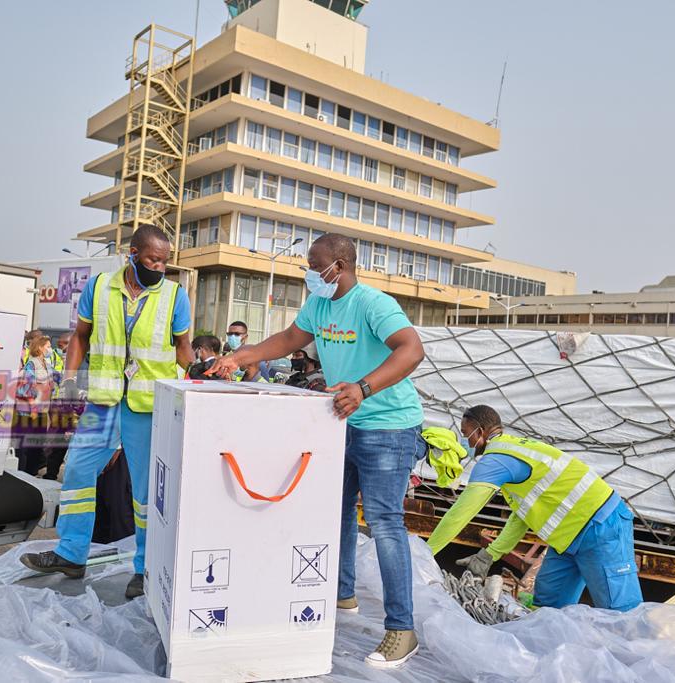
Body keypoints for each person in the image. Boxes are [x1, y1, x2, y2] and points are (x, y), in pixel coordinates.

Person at [208, 233, 426, 668]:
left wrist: (364, 388)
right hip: (342, 420)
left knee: (384, 522)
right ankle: (342, 596)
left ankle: (401, 629)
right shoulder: (320, 306)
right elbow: (290, 337)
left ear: (339, 266)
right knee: (337, 511)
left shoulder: (372, 304)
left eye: (315, 264)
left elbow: (412, 350)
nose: (309, 272)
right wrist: (242, 355)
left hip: (388, 425)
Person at [20, 225, 192, 600]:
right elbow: (80, 335)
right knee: (79, 472)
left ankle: (145, 567)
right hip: (103, 400)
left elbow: (183, 348)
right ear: (132, 253)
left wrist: (196, 376)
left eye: (164, 262)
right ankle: (70, 553)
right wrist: (67, 379)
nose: (159, 267)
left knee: (146, 492)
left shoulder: (175, 296)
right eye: (152, 259)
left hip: (146, 406)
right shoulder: (98, 288)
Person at [427, 404, 643, 613]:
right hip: (566, 539)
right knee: (547, 608)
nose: (465, 441)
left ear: (481, 431)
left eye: (466, 434)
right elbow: (521, 517)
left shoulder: (494, 461)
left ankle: (634, 649)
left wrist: (425, 554)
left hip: (601, 528)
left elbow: (460, 514)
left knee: (621, 611)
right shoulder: (515, 450)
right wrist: (489, 554)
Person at [14, 334, 57, 477]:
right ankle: (22, 475)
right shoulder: (31, 364)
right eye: (48, 347)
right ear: (39, 347)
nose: (50, 349)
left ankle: (31, 475)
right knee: (26, 447)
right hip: (29, 412)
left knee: (37, 447)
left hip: (41, 411)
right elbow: (23, 389)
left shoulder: (46, 364)